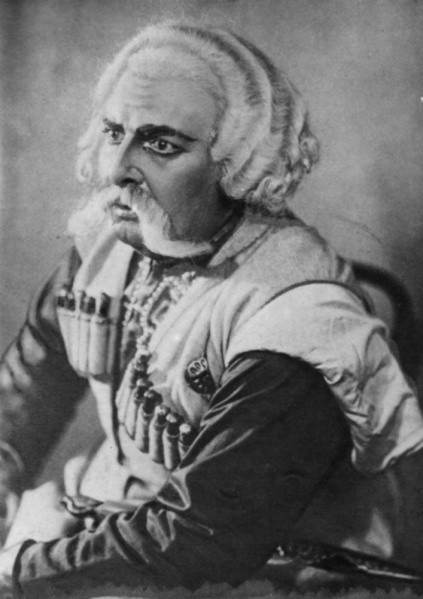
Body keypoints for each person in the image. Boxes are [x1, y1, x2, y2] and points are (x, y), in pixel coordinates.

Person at [0, 20, 423, 598]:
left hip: (268, 571)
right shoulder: (116, 239)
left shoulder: (296, 320)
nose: (115, 169)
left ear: (237, 167)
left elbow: (200, 535)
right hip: (113, 530)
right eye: (114, 132)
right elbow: (28, 388)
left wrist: (21, 568)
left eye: (161, 145)